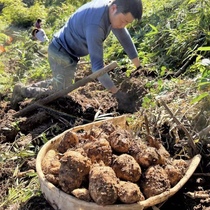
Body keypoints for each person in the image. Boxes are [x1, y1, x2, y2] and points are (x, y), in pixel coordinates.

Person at [11, 0, 142, 111]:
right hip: (60, 52)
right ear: (114, 9)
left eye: (127, 23)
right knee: (60, 92)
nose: (123, 25)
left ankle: (27, 88)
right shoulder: (96, 25)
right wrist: (116, 93)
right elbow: (97, 68)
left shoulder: (110, 10)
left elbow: (124, 37)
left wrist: (138, 67)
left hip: (68, 52)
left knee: (61, 82)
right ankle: (22, 91)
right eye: (124, 21)